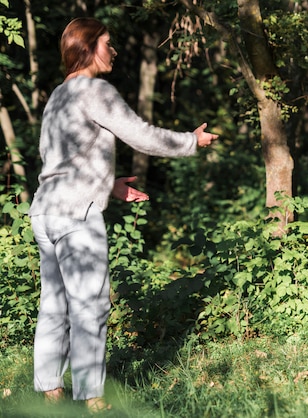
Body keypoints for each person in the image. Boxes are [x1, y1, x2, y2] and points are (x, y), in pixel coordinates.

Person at [28, 17, 219, 413]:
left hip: (46, 210)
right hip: (76, 215)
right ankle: (93, 398)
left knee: (54, 302)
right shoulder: (95, 90)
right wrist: (190, 141)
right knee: (90, 305)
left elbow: (61, 160)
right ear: (88, 47)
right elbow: (140, 134)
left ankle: (49, 391)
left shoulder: (57, 97)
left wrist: (108, 184)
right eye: (108, 43)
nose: (113, 50)